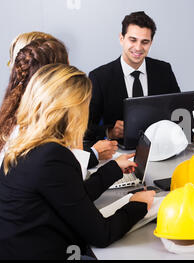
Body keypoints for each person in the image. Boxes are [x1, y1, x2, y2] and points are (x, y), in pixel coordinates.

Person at [0, 64, 156, 259]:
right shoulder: (52, 156)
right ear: (72, 111)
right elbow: (102, 234)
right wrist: (137, 205)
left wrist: (113, 169)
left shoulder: (23, 142)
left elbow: (72, 198)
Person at [2, 33, 118, 169]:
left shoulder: (16, 109)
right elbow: (68, 179)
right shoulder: (35, 125)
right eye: (66, 66)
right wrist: (89, 150)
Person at [86, 11, 180, 143]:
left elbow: (179, 111)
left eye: (145, 42)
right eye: (133, 40)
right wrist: (109, 132)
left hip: (159, 147)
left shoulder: (164, 70)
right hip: (119, 152)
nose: (138, 47)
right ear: (121, 39)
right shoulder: (100, 77)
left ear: (151, 43)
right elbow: (86, 127)